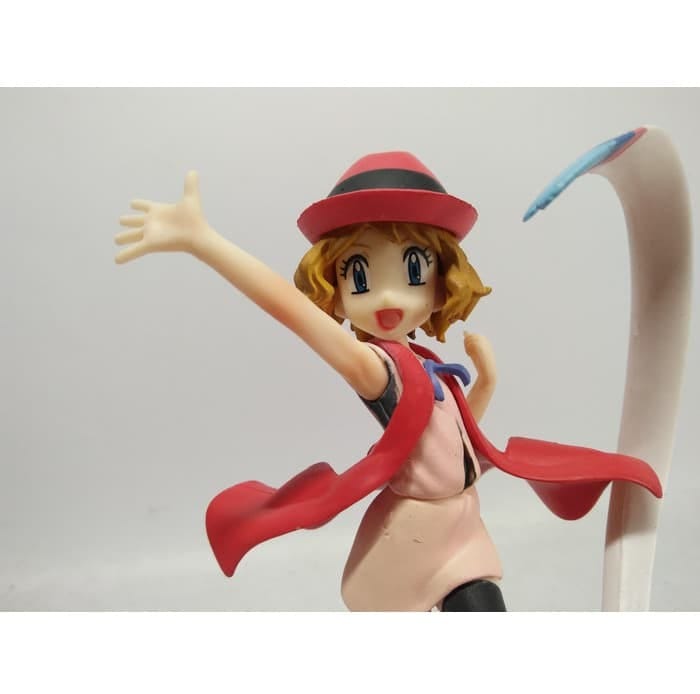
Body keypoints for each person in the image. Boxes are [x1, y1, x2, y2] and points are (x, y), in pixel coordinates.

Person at [115, 151, 661, 611]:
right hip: (413, 533)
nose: (388, 297)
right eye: (359, 275)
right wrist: (205, 242)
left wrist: (486, 383)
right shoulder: (377, 369)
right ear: (334, 287)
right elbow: (291, 310)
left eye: (413, 270)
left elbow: (455, 442)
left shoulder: (425, 363)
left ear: (443, 281)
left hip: (461, 521)